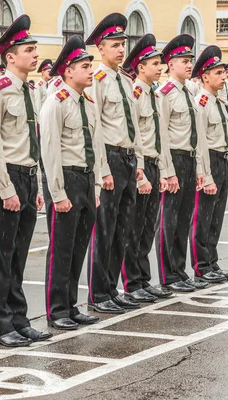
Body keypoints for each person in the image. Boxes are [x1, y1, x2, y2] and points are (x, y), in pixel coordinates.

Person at [0, 14, 51, 347]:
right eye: (29, 49)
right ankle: (1, 325)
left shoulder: (30, 90)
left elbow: (30, 141)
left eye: (35, 49)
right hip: (4, 177)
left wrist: (33, 186)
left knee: (19, 254)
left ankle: (20, 319)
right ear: (10, 56)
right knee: (0, 254)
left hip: (26, 176)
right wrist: (5, 188)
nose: (35, 55)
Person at [39, 35, 101, 330]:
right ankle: (56, 309)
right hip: (66, 178)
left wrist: (97, 186)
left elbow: (96, 146)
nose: (91, 71)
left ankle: (71, 304)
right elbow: (49, 151)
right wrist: (57, 192)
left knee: (78, 247)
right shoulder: (57, 102)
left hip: (86, 179)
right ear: (68, 71)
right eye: (85, 66)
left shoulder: (86, 102)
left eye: (90, 65)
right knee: (62, 248)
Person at [84, 13, 144, 314]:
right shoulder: (96, 80)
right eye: (115, 44)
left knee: (123, 226)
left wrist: (139, 162)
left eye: (123, 44)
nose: (121, 50)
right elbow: (94, 127)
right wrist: (102, 169)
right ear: (101, 48)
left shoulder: (124, 79)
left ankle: (111, 287)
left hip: (128, 156)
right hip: (109, 156)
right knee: (105, 228)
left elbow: (134, 125)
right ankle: (98, 292)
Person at [121, 34, 173, 302]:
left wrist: (164, 172)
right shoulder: (135, 93)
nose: (160, 67)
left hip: (154, 165)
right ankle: (131, 282)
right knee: (134, 226)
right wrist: (140, 173)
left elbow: (160, 135)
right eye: (155, 63)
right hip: (141, 168)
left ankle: (143, 278)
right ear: (141, 67)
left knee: (148, 227)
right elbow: (135, 135)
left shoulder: (154, 94)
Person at [155, 34, 209, 292]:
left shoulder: (190, 91)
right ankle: (168, 274)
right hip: (174, 159)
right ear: (170, 64)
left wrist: (199, 168)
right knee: (169, 219)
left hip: (188, 158)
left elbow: (196, 134)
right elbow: (162, 135)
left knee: (184, 218)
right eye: (184, 60)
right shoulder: (164, 93)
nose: (189, 65)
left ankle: (179, 269)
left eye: (190, 60)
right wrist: (167, 171)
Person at [191, 45, 228, 284]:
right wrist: (205, 175)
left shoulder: (218, 101)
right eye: (218, 73)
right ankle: (201, 266)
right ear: (205, 76)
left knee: (216, 217)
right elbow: (199, 142)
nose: (223, 77)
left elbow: (224, 138)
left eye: (223, 72)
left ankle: (212, 261)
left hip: (221, 160)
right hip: (208, 160)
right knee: (203, 217)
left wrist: (226, 169)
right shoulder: (200, 102)